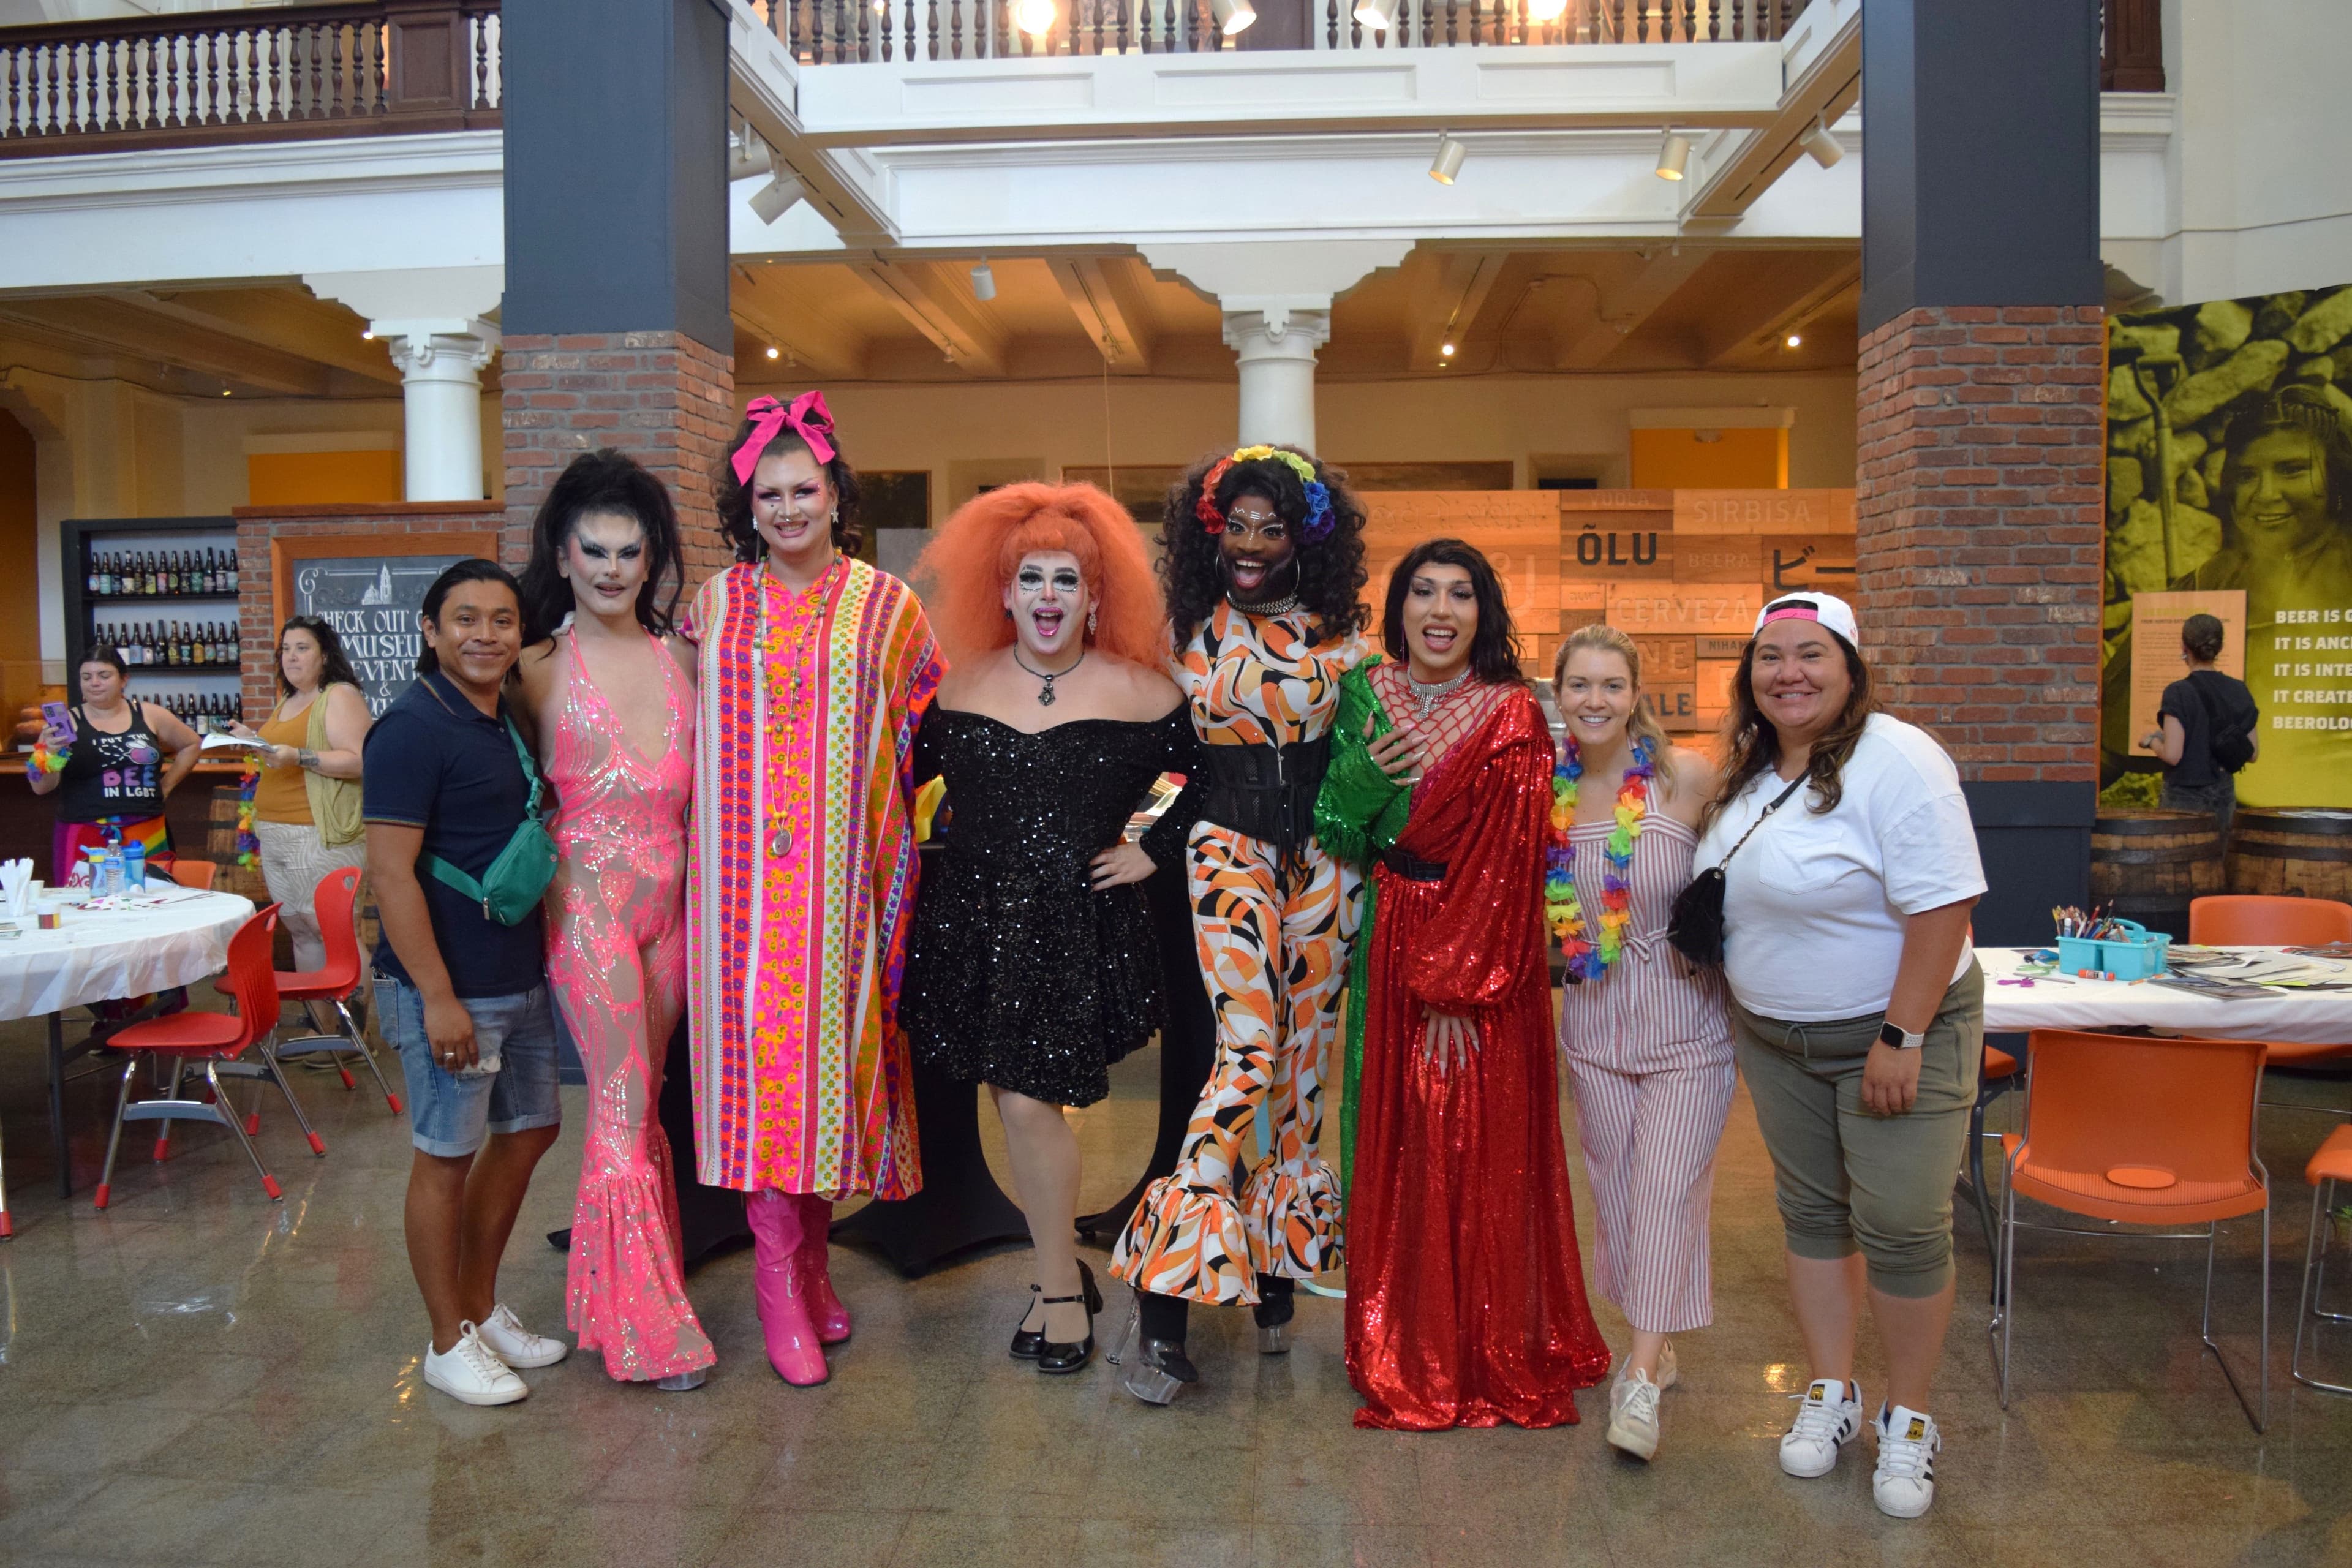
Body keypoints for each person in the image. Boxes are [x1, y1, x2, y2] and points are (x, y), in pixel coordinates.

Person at [1694, 591, 1984, 1520]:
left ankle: (1910, 1414)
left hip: (1892, 1033)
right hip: (1779, 1041)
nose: (1789, 673)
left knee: (1901, 1223)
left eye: (1811, 654)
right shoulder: (1754, 768)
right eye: (1771, 657)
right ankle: (1832, 1391)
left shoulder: (1898, 758)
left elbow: (1943, 907)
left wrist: (1903, 1035)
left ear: (1851, 670)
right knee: (1814, 1215)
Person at [902, 482, 1201, 1376]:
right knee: (1013, 1099)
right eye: (1029, 577)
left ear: (1096, 596)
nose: (1046, 596)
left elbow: (1195, 779)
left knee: (1029, 1102)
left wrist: (1148, 844)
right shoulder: (955, 687)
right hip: (979, 922)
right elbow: (896, 777)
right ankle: (1054, 1275)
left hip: (1075, 927)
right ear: (1001, 590)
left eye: (1066, 581)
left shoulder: (1144, 691)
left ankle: (1062, 1287)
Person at [1315, 540, 1611, 1430]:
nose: (1441, 610)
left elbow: (1514, 864)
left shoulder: (1515, 713)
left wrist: (1456, 983)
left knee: (1470, 1139)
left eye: (1461, 595)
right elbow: (1338, 823)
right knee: (1398, 1137)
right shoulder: (1367, 693)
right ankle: (1399, 1334)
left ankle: (1477, 1347)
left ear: (1484, 613)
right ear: (1398, 607)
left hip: (1479, 959)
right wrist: (1372, 772)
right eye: (1423, 592)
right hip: (1392, 933)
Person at [681, 391, 943, 1387]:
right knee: (766, 1094)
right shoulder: (714, 610)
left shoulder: (889, 607)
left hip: (847, 903)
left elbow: (927, 732)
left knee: (832, 1091)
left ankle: (817, 1272)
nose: (789, 508)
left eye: (806, 489)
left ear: (837, 495)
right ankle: (777, 1291)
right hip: (740, 911)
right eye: (770, 493)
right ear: (749, 505)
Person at [1108, 443, 1368, 1406]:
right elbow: (1162, 758)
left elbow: (1364, 761)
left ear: (1305, 539)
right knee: (1246, 1053)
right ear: (1210, 535)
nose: (1252, 546)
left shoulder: (1347, 638)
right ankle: (1163, 1301)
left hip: (1325, 867)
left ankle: (1272, 1284)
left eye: (1273, 528)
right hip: (1225, 850)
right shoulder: (1184, 631)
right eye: (1237, 528)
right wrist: (1147, 837)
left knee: (1300, 1077)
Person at [515, 450, 715, 1393]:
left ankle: (617, 1295)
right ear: (561, 555)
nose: (609, 568)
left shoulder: (687, 658)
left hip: (673, 915)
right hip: (585, 906)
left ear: (651, 560)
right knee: (621, 1103)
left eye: (628, 553)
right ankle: (645, 1333)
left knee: (644, 1107)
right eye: (592, 550)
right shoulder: (531, 665)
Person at [364, 560, 568, 1408]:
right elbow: (391, 874)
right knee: (444, 1158)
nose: (484, 634)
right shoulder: (412, 727)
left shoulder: (501, 717)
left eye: (500, 620)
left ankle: (480, 1310)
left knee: (529, 1133)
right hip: (449, 988)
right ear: (429, 630)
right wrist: (438, 997)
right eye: (465, 619)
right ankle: (446, 1340)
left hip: (515, 975)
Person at [1545, 622, 1734, 1463]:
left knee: (1662, 1194)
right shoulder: (1543, 797)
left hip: (1690, 1026)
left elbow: (1755, 861)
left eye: (1610, 686)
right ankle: (1657, 1336)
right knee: (1620, 1202)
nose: (1594, 701)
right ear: (1558, 696)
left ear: (1635, 695)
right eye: (1578, 686)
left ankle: (1642, 1381)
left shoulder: (1683, 778)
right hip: (1592, 1028)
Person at [228, 617, 372, 1035]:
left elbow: (362, 760)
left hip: (321, 834)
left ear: (325, 655)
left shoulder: (338, 695)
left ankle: (352, 1037)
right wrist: (255, 740)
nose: (291, 657)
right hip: (276, 833)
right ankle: (320, 1029)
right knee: (303, 931)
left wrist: (300, 757)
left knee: (335, 931)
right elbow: (284, 752)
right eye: (286, 649)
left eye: (302, 648)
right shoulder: (289, 699)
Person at [28, 646, 199, 882]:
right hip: (84, 833)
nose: (95, 683)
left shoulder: (149, 714)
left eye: (104, 676)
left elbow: (192, 745)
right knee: (85, 906)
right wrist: (48, 754)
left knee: (154, 904)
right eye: (87, 677)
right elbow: (41, 787)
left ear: (124, 679)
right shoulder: (64, 725)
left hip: (146, 829)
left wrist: (166, 786)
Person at [2138, 611, 2258, 836]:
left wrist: (2152, 741)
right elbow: (2252, 754)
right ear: (2219, 648)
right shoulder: (2239, 690)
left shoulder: (2178, 692)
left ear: (2185, 648)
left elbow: (2173, 755)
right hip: (2224, 792)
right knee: (2215, 863)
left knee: (2180, 865)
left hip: (2184, 796)